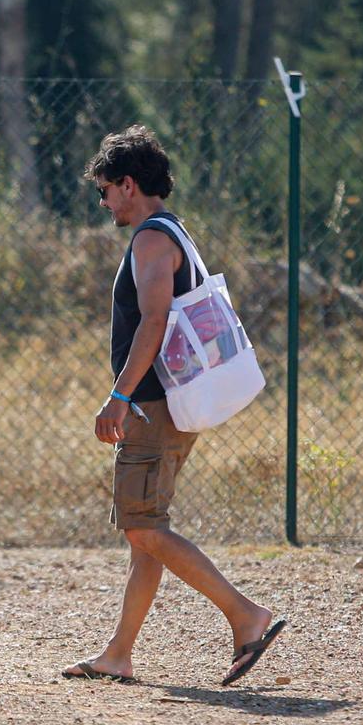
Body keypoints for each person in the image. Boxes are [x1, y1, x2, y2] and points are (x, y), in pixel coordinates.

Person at [62, 124, 287, 687]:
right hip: (170, 405)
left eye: (106, 189)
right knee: (146, 533)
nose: (104, 201)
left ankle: (245, 615)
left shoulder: (151, 240)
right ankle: (118, 654)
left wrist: (118, 397)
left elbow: (156, 322)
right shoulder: (171, 232)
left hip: (151, 406)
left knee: (141, 528)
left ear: (129, 184)